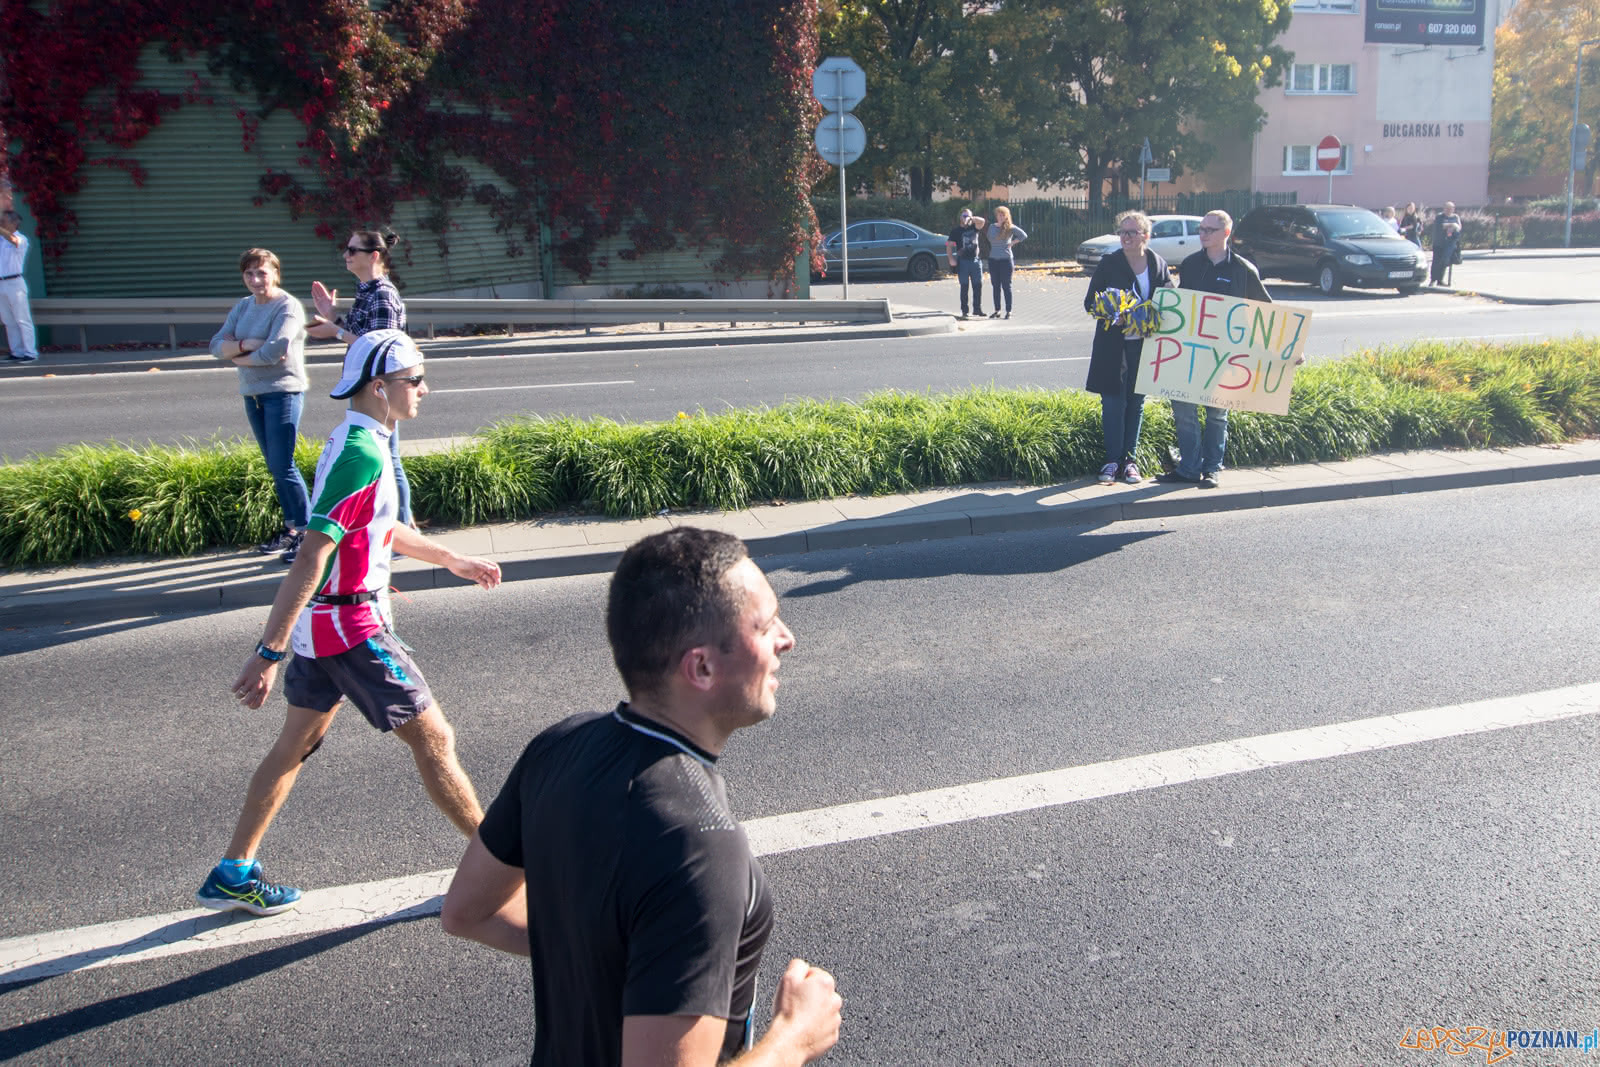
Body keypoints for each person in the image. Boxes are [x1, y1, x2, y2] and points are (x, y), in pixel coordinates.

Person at [442, 527, 843, 1067]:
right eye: (766, 624)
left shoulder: (557, 746)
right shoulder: (701, 849)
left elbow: (467, 911)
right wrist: (796, 1037)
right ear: (700, 667)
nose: (786, 638)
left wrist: (625, 963)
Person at [197, 329, 503, 916]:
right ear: (381, 387)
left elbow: (378, 529)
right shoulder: (363, 454)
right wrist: (267, 653)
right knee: (435, 738)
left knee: (294, 746)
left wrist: (451, 559)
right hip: (352, 626)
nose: (425, 390)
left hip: (327, 627)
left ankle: (233, 871)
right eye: (416, 380)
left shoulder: (358, 439)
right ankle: (499, 869)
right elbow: (313, 554)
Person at [1158, 211, 1276, 490]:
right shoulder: (1190, 264)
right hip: (1190, 353)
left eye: (1209, 229)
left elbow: (1265, 313)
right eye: (1201, 229)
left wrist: (1285, 349)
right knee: (1184, 412)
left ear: (1226, 233)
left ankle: (1212, 470)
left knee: (1216, 414)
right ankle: (1188, 468)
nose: (1203, 234)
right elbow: (1182, 306)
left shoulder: (1243, 269)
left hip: (1224, 355)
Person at [307, 229, 415, 526]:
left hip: (381, 388)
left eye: (353, 250)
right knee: (383, 457)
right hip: (368, 388)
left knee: (388, 460)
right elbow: (364, 337)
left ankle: (402, 528)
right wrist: (333, 317)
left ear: (374, 256)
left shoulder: (382, 293)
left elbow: (382, 348)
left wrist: (335, 331)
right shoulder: (366, 290)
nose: (346, 255)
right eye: (347, 249)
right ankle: (399, 527)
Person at [210, 248, 311, 562]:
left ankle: (306, 533)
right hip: (252, 394)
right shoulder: (243, 307)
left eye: (262, 272)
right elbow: (215, 346)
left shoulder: (287, 306)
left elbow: (276, 350)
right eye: (249, 274)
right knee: (275, 466)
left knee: (284, 465)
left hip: (283, 392)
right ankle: (291, 529)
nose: (255, 279)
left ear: (275, 273)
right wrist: (246, 345)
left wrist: (238, 357)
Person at [1083, 210, 1171, 486]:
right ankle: (1112, 461)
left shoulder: (1158, 264)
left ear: (1145, 235)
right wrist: (1111, 313)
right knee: (1113, 403)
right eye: (1122, 232)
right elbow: (1090, 302)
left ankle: (1130, 461)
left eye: (1131, 232)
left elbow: (1169, 302)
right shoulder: (1110, 263)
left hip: (1144, 347)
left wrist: (1154, 316)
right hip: (1113, 349)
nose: (1125, 237)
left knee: (1136, 404)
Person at [0, 210, 39, 363]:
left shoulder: (21, 239)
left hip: (15, 282)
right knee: (8, 320)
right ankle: (16, 352)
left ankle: (30, 352)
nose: (2, 223)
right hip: (1, 283)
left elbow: (13, 240)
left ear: (14, 223)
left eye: (4, 221)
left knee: (23, 319)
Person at [985, 205, 1027, 319]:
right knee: (995, 286)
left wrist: (1013, 243)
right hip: (993, 260)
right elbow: (989, 238)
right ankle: (997, 310)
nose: (1001, 216)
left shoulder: (1010, 227)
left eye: (1003, 214)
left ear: (1006, 216)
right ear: (996, 216)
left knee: (1006, 286)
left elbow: (1023, 235)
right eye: (999, 214)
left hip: (1006, 260)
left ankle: (1009, 310)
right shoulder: (992, 227)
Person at [946, 207, 987, 319]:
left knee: (978, 285)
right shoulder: (955, 231)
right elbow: (949, 246)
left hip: (975, 261)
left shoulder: (975, 227)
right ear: (960, 217)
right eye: (964, 216)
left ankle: (977, 309)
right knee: (964, 286)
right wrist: (951, 259)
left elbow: (982, 221)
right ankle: (965, 310)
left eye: (968, 216)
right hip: (962, 261)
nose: (966, 218)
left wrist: (971, 218)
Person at [1430, 202, 1462, 286]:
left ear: (1453, 209)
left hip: (1449, 244)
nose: (1449, 210)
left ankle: (1440, 280)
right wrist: (1453, 225)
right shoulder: (1439, 216)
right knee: (1436, 262)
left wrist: (1454, 226)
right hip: (1439, 243)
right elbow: (1442, 225)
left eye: (1451, 208)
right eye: (1447, 208)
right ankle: (1433, 280)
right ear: (1444, 208)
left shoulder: (1456, 216)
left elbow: (1459, 227)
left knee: (1444, 262)